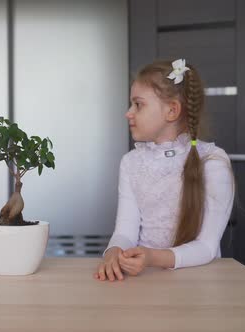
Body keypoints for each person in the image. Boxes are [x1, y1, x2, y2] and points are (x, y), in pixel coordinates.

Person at [95, 59, 234, 281]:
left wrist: (153, 257)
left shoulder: (213, 162)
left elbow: (207, 248)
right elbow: (125, 231)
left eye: (138, 104)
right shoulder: (131, 162)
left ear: (172, 110)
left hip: (198, 282)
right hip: (145, 279)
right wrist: (113, 252)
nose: (128, 113)